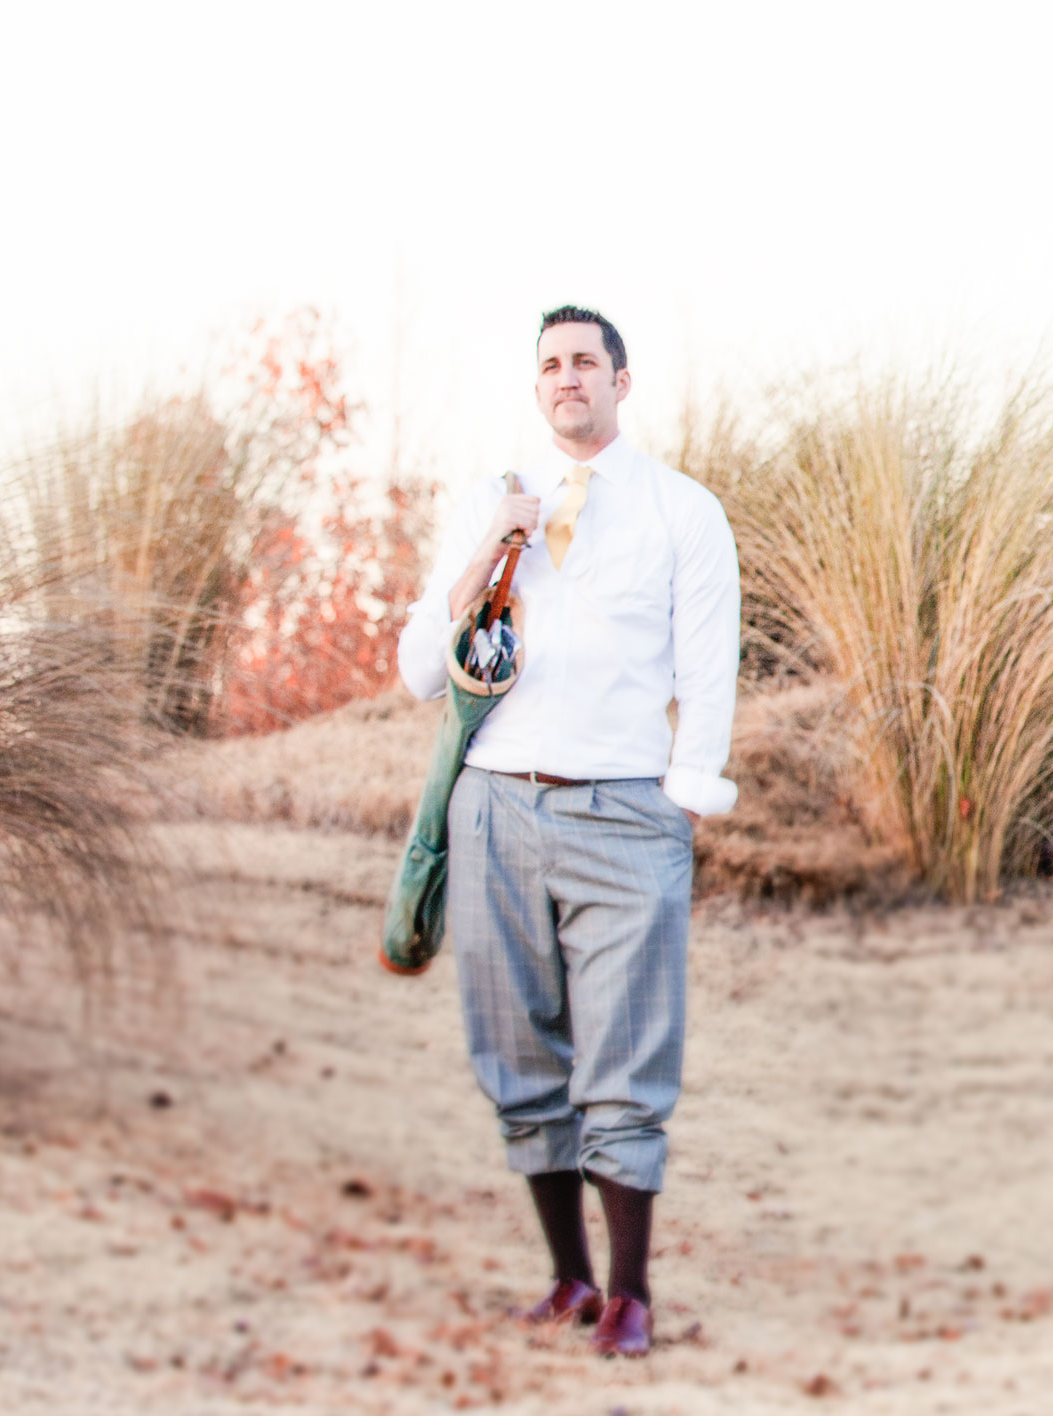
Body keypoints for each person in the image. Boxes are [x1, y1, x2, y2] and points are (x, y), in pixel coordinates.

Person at [397, 305, 740, 1358]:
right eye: (550, 365)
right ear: (537, 386)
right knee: (514, 1049)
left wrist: (683, 798)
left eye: (586, 361)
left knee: (628, 1058)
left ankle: (631, 1294)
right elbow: (418, 671)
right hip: (494, 806)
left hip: (625, 809)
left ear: (620, 382)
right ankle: (569, 1279)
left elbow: (708, 666)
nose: (567, 378)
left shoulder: (682, 511)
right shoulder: (491, 504)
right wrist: (492, 546)